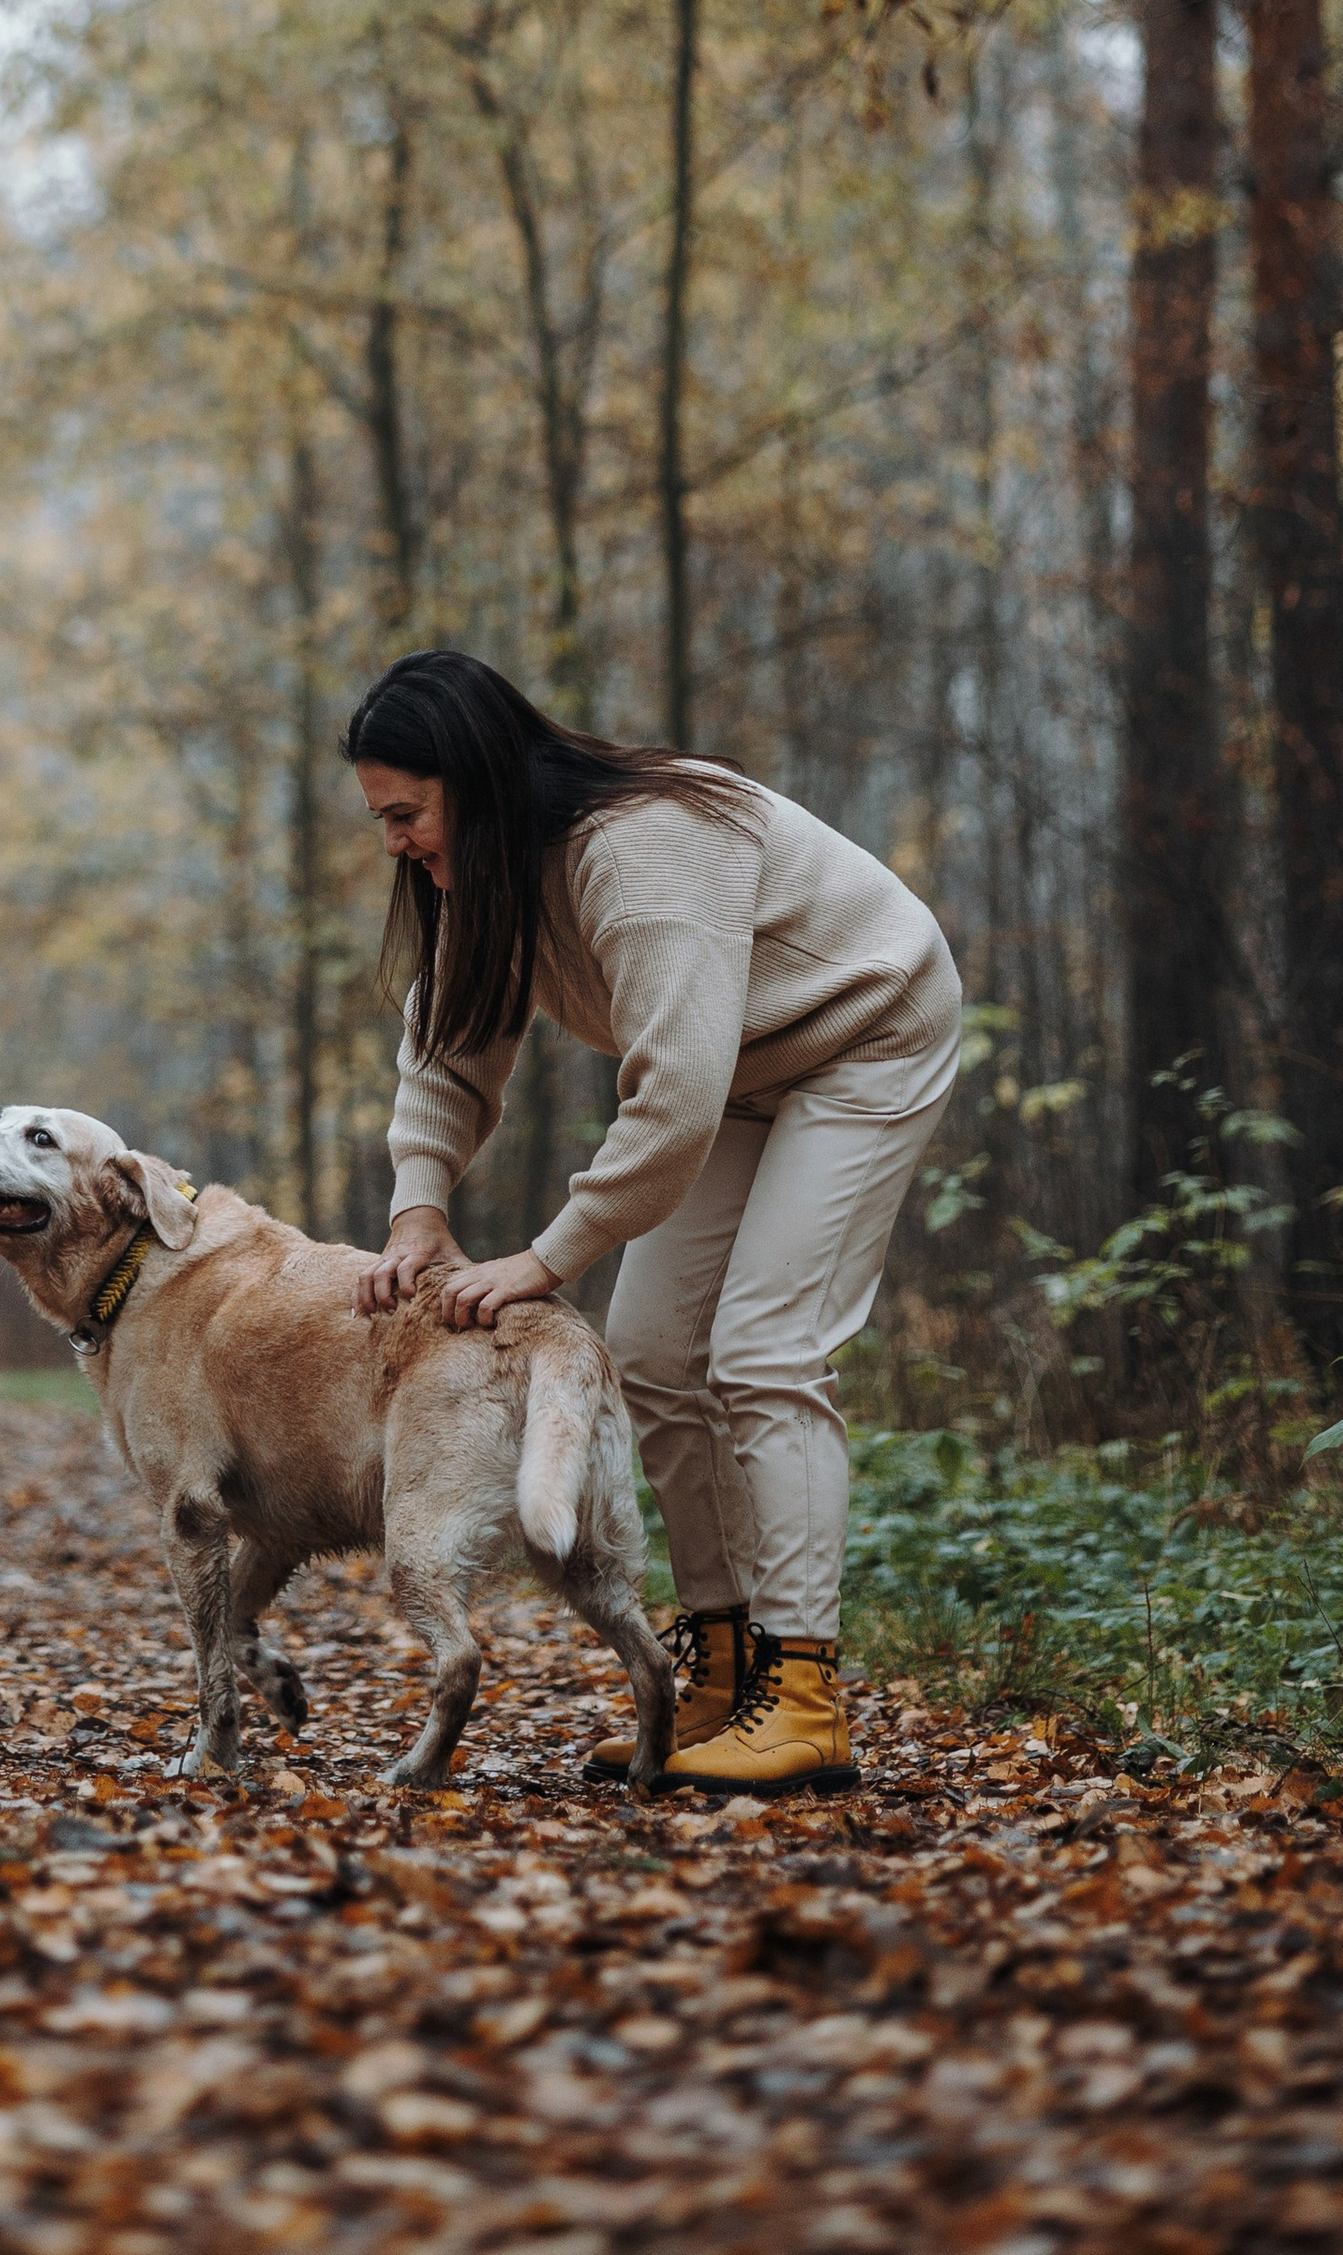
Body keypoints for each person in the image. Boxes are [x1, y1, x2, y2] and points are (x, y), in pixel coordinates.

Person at [345, 647, 960, 1796]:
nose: (394, 842)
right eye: (380, 818)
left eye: (405, 813)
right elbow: (450, 1045)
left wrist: (545, 1258)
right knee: (654, 1356)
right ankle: (724, 1673)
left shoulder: (640, 852)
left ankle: (806, 1697)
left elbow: (671, 1096)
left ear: (474, 779)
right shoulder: (481, 882)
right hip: (744, 1070)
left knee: (767, 1350)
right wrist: (418, 1207)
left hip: (868, 1029)